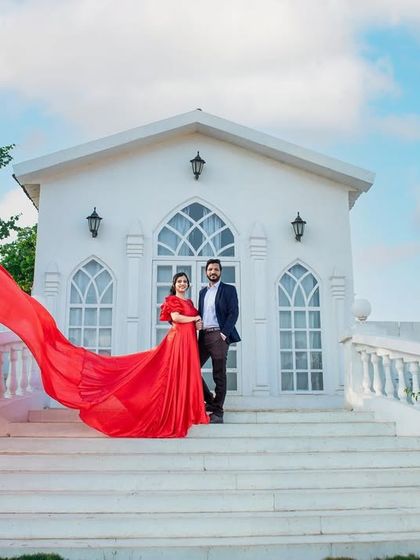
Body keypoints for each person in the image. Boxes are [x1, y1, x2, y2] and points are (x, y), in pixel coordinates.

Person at [0, 265, 209, 437]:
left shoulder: (189, 302)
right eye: (179, 281)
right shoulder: (172, 301)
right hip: (177, 341)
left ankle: (190, 410)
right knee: (164, 373)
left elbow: (190, 320)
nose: (182, 284)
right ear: (174, 285)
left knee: (188, 374)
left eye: (185, 281)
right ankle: (173, 410)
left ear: (188, 284)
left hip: (189, 340)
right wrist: (194, 319)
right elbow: (175, 318)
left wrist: (197, 325)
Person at [198, 259, 240, 424]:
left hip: (219, 335)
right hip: (204, 336)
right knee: (192, 368)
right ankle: (211, 401)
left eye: (216, 269)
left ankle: (218, 412)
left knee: (219, 374)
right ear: (206, 272)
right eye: (210, 269)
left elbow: (233, 312)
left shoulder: (229, 290)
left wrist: (224, 334)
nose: (213, 272)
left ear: (220, 272)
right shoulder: (203, 292)